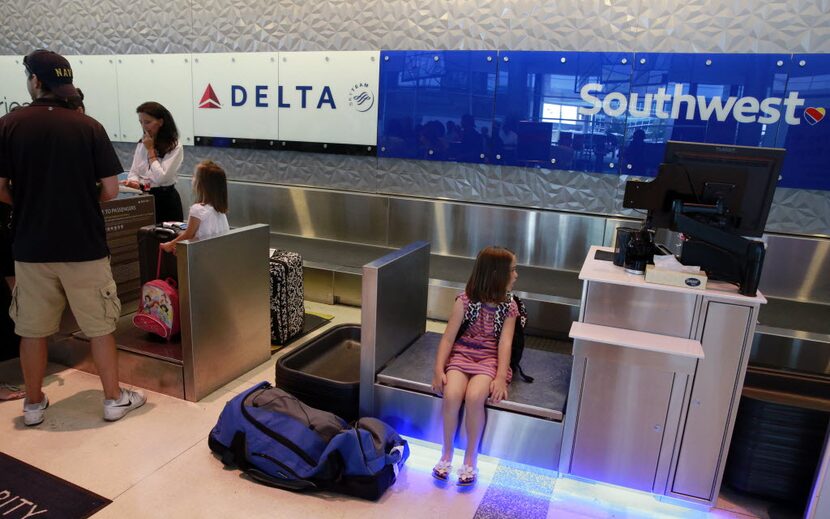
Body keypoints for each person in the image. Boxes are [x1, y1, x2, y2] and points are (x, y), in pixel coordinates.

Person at [0, 49, 146, 426]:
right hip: (84, 245)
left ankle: (32, 405)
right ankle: (113, 399)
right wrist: (81, 201)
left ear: (34, 81)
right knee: (100, 326)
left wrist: (30, 202)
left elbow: (0, 189)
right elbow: (112, 189)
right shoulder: (89, 126)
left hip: (30, 247)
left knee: (31, 330)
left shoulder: (9, 125)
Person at [431, 246, 519, 486]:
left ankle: (471, 457)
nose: (516, 275)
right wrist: (439, 369)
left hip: (489, 359)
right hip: (463, 355)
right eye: (512, 270)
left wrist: (501, 377)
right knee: (451, 394)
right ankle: (446, 452)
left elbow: (505, 343)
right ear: (496, 275)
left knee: (475, 395)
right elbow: (449, 337)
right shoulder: (464, 301)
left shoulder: (509, 307)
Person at [123, 102, 184, 223]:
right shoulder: (142, 143)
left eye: (148, 122)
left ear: (160, 122)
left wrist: (151, 150)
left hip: (165, 199)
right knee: (145, 238)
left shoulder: (174, 146)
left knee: (167, 238)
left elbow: (162, 178)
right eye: (141, 122)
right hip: (144, 196)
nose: (144, 126)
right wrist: (135, 182)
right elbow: (134, 171)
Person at [160, 160, 229, 255]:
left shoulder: (198, 209)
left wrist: (170, 245)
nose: (192, 178)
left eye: (195, 176)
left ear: (202, 184)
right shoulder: (219, 210)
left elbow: (188, 234)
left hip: (203, 258)